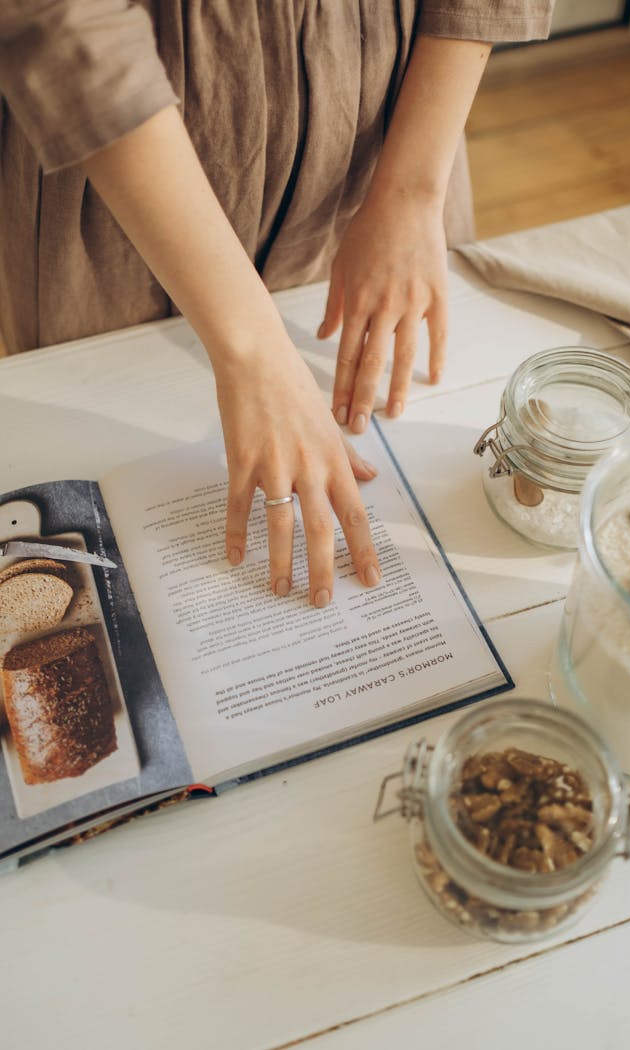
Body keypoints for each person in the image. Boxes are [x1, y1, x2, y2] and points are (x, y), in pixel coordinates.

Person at [0, 2, 554, 608]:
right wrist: (254, 353)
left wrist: (412, 190)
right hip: (125, 153)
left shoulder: (408, 179)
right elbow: (66, 23)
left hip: (393, 122)